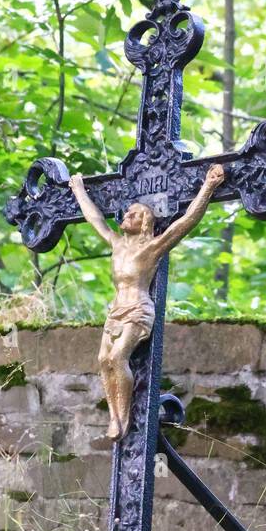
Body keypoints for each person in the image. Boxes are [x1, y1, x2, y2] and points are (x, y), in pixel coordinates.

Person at [69, 164, 225, 440]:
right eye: (127, 213)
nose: (126, 216)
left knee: (118, 357)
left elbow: (186, 222)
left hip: (138, 308)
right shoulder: (116, 244)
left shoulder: (151, 249)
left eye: (133, 214)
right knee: (102, 359)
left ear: (144, 222)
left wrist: (208, 187)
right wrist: (79, 189)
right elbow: (94, 219)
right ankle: (113, 415)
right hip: (116, 309)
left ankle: (123, 417)